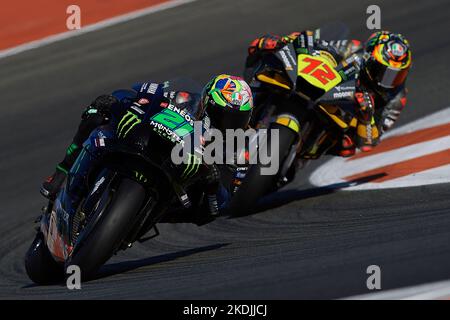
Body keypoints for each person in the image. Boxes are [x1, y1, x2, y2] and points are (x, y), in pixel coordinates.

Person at [41, 74, 254, 217]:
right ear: (206, 103)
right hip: (146, 144)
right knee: (99, 112)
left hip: (177, 201)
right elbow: (148, 92)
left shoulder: (231, 151)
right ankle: (61, 171)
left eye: (238, 121)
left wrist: (212, 183)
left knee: (206, 211)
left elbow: (222, 206)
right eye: (223, 116)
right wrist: (125, 104)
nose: (229, 125)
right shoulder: (185, 98)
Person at [244, 30, 412, 157]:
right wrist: (291, 43)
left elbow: (369, 142)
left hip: (348, 117)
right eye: (383, 71)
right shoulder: (352, 49)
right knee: (267, 57)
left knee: (347, 147)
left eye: (397, 75)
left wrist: (367, 116)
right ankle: (247, 108)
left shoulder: (397, 98)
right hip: (323, 87)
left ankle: (299, 153)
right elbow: (322, 47)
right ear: (369, 58)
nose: (387, 81)